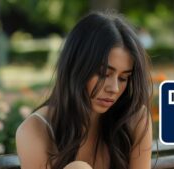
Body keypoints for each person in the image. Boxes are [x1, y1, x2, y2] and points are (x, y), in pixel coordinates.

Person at [16, 11, 153, 169]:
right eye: (103, 74)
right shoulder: (36, 129)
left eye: (123, 78)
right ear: (77, 67)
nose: (114, 88)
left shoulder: (135, 119)